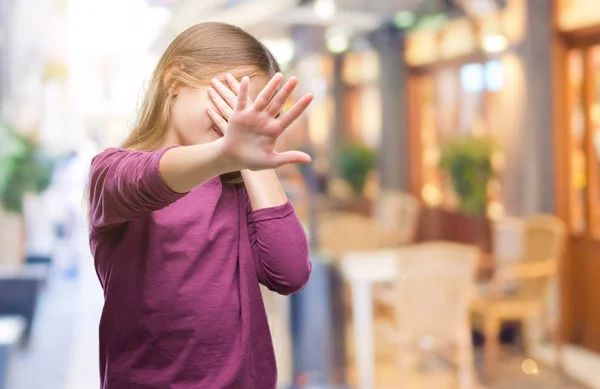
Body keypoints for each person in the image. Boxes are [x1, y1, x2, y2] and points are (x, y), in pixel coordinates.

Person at [88, 22, 313, 389]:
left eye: (255, 110)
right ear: (175, 79)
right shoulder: (111, 171)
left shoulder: (238, 190)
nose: (237, 120)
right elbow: (147, 179)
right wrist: (224, 153)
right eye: (228, 97)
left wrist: (252, 163)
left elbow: (289, 274)